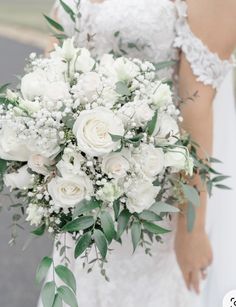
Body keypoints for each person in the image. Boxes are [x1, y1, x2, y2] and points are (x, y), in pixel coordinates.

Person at [40, 0, 236, 306]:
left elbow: (195, 104)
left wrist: (192, 227)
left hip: (151, 203)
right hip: (79, 191)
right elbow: (55, 51)